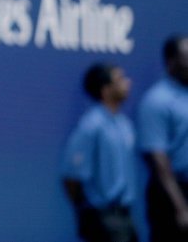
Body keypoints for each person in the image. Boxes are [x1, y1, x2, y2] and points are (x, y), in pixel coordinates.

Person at [61, 63, 139, 242]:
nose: (127, 82)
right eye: (120, 79)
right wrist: (87, 213)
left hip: (126, 214)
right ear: (105, 90)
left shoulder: (124, 123)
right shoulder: (91, 126)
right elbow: (72, 178)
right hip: (103, 217)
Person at [137, 34, 188, 242]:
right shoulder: (157, 100)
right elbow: (159, 162)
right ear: (171, 62)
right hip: (172, 193)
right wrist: (181, 207)